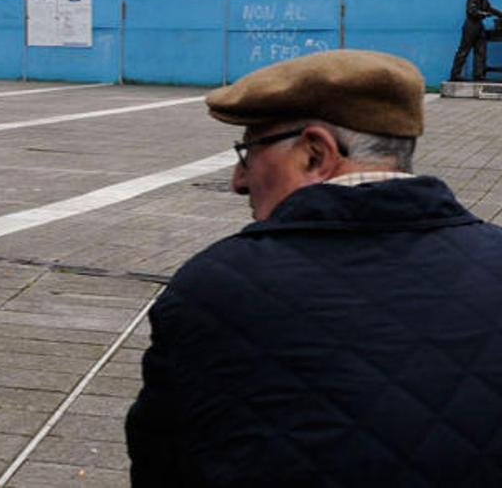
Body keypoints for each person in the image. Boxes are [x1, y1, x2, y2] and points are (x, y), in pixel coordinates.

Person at [127, 49, 502, 486]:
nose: (238, 180)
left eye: (248, 151)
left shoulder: (214, 288)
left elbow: (161, 464)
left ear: (315, 154)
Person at [450, 0, 502, 81]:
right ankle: (455, 75)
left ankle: (478, 74)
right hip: (471, 25)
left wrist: (500, 14)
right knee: (464, 51)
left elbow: (489, 8)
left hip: (478, 25)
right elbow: (471, 10)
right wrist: (484, 14)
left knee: (480, 50)